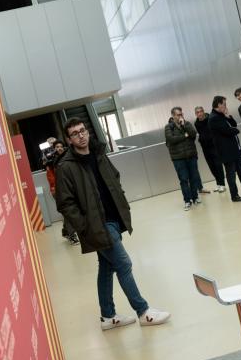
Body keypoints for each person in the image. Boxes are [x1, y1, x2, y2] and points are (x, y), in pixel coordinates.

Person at [54, 118, 171, 330]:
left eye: (83, 130)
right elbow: (64, 203)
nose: (81, 135)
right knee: (124, 264)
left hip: (113, 219)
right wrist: (85, 226)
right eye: (75, 133)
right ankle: (143, 311)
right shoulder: (65, 167)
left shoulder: (98, 153)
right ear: (68, 139)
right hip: (97, 225)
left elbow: (114, 176)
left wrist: (121, 199)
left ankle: (108, 316)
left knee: (106, 267)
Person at [209, 96, 241, 202]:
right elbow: (228, 131)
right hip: (226, 152)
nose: (226, 106)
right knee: (231, 174)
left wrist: (228, 116)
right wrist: (235, 130)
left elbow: (233, 124)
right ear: (218, 104)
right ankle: (234, 195)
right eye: (224, 104)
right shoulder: (214, 118)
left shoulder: (222, 115)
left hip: (235, 150)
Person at [164, 107, 204, 211]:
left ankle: (195, 197)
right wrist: (185, 136)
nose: (180, 116)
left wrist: (184, 126)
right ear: (173, 116)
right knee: (183, 179)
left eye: (181, 114)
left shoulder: (187, 124)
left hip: (191, 156)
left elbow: (193, 134)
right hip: (178, 158)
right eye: (178, 115)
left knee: (193, 177)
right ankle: (187, 200)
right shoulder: (168, 127)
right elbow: (171, 139)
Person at [45, 139, 78, 245]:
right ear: (53, 149)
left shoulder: (67, 157)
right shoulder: (50, 162)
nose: (59, 148)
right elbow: (51, 178)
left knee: (68, 212)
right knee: (68, 212)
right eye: (56, 147)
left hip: (68, 188)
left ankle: (66, 232)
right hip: (58, 191)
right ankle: (72, 235)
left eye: (61, 146)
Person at [194, 106, 225, 192]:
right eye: (197, 112)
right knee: (211, 166)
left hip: (214, 146)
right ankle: (218, 183)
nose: (199, 114)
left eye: (201, 111)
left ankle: (222, 184)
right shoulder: (196, 123)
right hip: (205, 148)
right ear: (196, 114)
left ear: (203, 111)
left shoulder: (210, 119)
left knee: (218, 165)